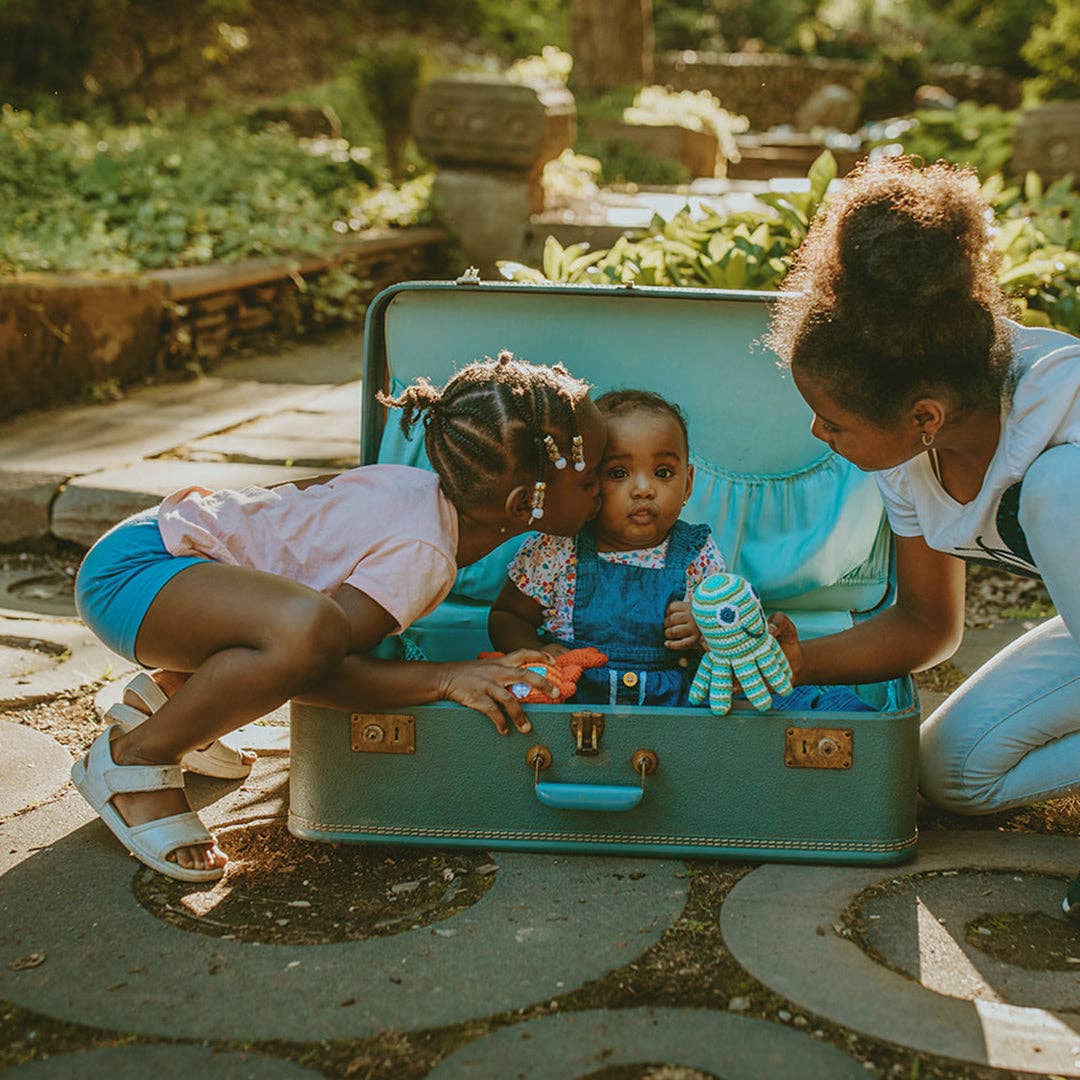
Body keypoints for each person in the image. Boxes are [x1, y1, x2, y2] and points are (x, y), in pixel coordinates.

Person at [72, 351, 607, 883]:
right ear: (522, 505)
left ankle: (172, 698)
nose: (606, 489)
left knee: (307, 623)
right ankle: (136, 758)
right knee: (313, 629)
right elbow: (313, 664)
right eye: (591, 482)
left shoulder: (411, 485)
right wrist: (446, 677)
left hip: (151, 546)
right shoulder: (426, 552)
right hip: (137, 577)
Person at [763, 157, 1080, 909]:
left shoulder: (1060, 442)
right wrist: (792, 663)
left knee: (1055, 492)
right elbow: (925, 625)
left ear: (925, 416)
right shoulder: (914, 445)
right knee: (952, 774)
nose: (818, 432)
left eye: (835, 423)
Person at [489, 389, 725, 705]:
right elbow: (507, 616)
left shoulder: (698, 554)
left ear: (689, 482)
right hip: (573, 700)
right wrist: (538, 652)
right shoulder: (558, 548)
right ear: (590, 483)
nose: (644, 489)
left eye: (663, 472)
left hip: (672, 709)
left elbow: (731, 633)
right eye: (618, 473)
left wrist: (703, 629)